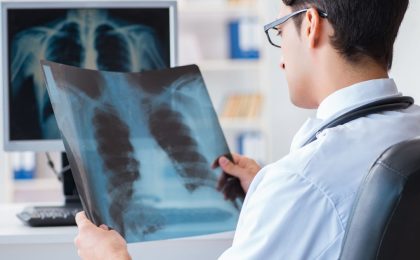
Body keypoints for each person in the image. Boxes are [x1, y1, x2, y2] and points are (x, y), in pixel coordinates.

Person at [74, 0, 420, 259]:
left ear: (311, 24)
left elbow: (320, 192)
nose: (281, 57)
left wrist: (112, 258)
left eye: (280, 30)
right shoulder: (411, 130)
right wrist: (267, 189)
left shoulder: (302, 183)